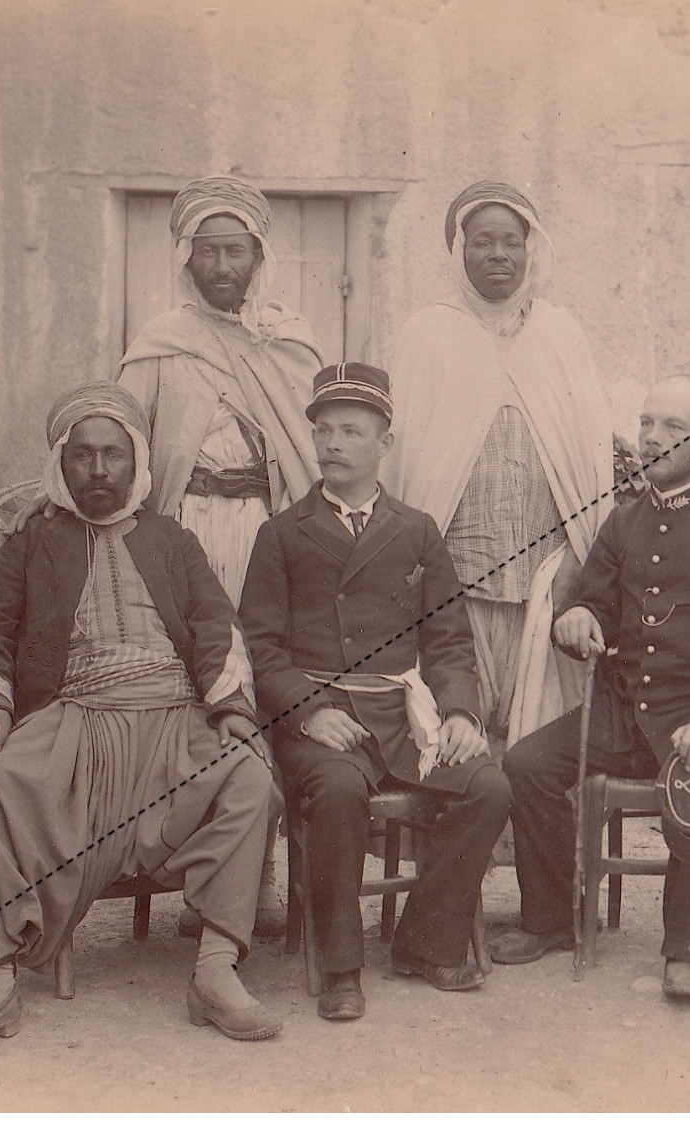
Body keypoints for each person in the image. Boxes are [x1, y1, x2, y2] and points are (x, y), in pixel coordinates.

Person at [0, 384, 281, 1057]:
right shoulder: (32, 542)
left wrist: (230, 707)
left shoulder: (171, 537)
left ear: (135, 459)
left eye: (112, 454)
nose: (98, 468)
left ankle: (215, 969)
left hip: (173, 716)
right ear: (62, 461)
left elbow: (216, 625)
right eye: (82, 454)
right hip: (72, 718)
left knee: (250, 778)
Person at [491, 376, 690, 1001]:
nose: (652, 437)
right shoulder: (624, 522)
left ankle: (686, 946)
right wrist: (579, 621)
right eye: (647, 423)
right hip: (630, 712)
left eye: (673, 428)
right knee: (525, 765)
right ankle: (553, 919)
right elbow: (589, 603)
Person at [240, 363, 512, 1022]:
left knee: (489, 786)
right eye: (323, 430)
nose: (332, 443)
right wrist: (308, 712)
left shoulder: (416, 529)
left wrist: (458, 712)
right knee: (335, 791)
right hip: (320, 716)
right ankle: (338, 965)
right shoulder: (281, 532)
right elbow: (261, 647)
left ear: (383, 442)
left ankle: (425, 939)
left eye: (350, 431)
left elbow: (448, 638)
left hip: (400, 710)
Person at [117, 174, 324, 937]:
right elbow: (128, 440)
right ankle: (198, 881)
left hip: (265, 533)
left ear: (258, 255)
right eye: (207, 251)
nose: (221, 266)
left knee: (264, 687)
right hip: (187, 533)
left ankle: (259, 873)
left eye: (235, 250)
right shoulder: (159, 345)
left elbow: (311, 447)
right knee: (194, 693)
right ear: (186, 258)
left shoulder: (287, 341)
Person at [385, 181, 615, 743]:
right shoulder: (426, 336)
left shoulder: (560, 335)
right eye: (482, 241)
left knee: (538, 744)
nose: (498, 255)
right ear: (458, 252)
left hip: (548, 581)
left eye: (511, 242)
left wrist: (577, 566)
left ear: (530, 250)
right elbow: (407, 464)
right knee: (458, 734)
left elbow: (586, 465)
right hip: (455, 577)